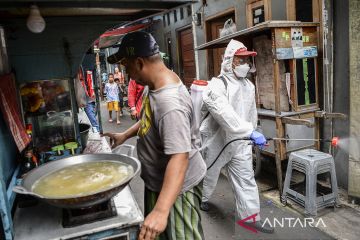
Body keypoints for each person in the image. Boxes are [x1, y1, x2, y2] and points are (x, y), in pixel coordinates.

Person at [103, 31, 206, 240]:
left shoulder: (170, 103)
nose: (126, 73)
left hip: (178, 190)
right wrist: (125, 134)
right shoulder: (156, 84)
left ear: (139, 62)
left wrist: (161, 211)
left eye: (126, 66)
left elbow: (180, 157)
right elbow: (151, 119)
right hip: (158, 181)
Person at [199, 39, 274, 233]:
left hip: (240, 143)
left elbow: (250, 114)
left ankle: (250, 218)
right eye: (241, 60)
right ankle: (201, 199)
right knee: (208, 173)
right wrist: (248, 131)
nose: (246, 65)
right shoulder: (216, 85)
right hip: (217, 140)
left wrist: (253, 133)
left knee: (246, 179)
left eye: (247, 61)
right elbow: (224, 113)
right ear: (231, 61)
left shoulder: (248, 86)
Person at [77, 67, 99, 132]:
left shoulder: (88, 71)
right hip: (81, 99)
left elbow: (92, 85)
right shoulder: (77, 75)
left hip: (88, 99)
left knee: (92, 118)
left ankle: (96, 131)